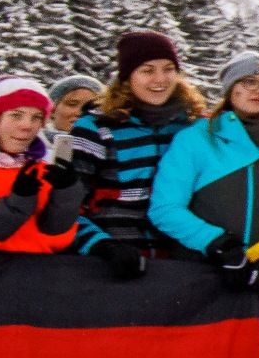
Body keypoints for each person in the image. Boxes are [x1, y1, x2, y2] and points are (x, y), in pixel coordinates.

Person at [0, 76, 132, 272]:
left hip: (32, 280)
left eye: (36, 117)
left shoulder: (46, 164)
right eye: (16, 115)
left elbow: (56, 240)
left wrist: (66, 196)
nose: (26, 126)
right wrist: (17, 204)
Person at [143, 53, 259, 288]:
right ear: (231, 88)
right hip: (198, 271)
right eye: (249, 82)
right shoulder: (194, 138)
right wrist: (217, 243)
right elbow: (165, 209)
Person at [76, 28, 202, 252]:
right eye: (147, 70)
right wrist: (100, 245)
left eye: (168, 69)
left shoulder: (192, 126)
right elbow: (68, 204)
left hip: (182, 261)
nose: (160, 79)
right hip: (114, 259)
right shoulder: (96, 129)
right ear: (127, 78)